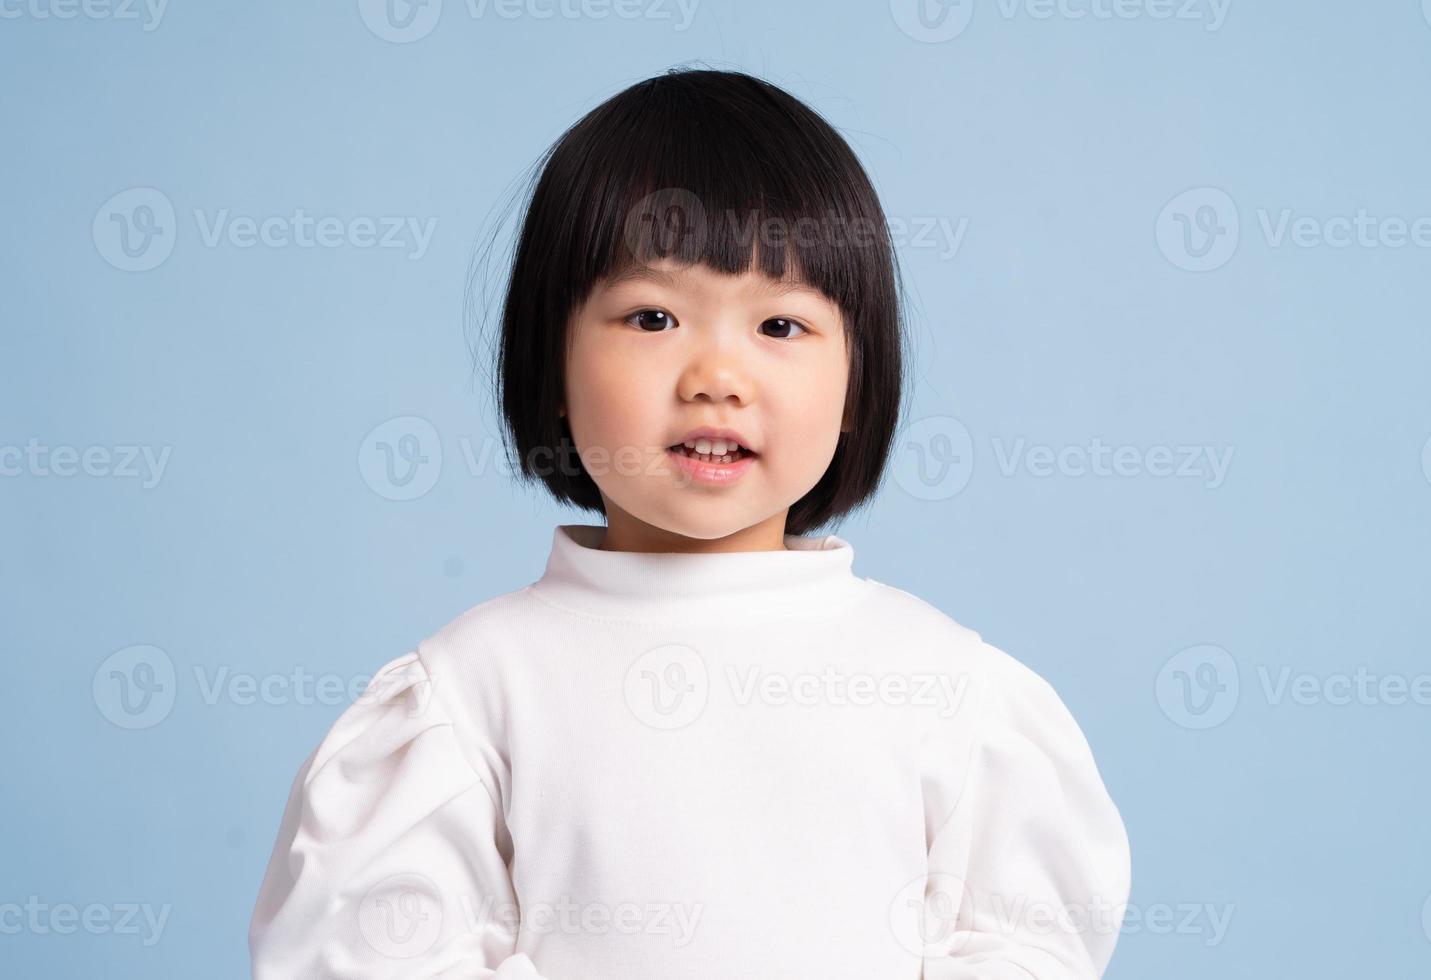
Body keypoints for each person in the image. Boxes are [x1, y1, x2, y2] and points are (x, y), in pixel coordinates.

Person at [248, 67, 1132, 979]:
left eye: (781, 327)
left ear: (856, 386)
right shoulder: (470, 695)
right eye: (653, 316)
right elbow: (370, 954)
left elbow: (1022, 948)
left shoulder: (945, 688)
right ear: (550, 368)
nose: (715, 374)